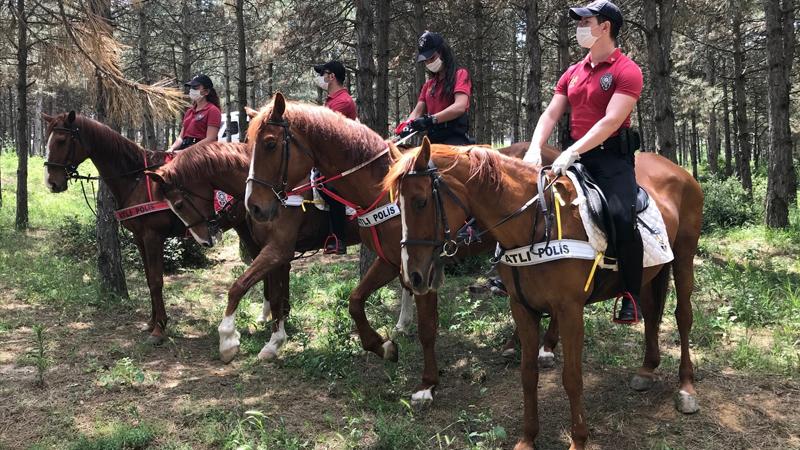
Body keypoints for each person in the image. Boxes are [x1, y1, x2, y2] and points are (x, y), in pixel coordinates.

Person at [523, 0, 643, 322]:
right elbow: (551, 113)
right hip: (571, 157)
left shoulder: (626, 70)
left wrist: (574, 151)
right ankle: (513, 273)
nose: (579, 27)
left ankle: (631, 293)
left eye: (585, 21)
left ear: (605, 27)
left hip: (609, 161)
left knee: (621, 216)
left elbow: (611, 121)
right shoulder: (572, 73)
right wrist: (536, 147)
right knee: (531, 202)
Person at [395, 31, 474, 145]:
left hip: (455, 138)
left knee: (434, 161)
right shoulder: (429, 85)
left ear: (442, 52)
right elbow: (417, 111)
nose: (428, 62)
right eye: (426, 60)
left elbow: (460, 106)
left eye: (432, 58)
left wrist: (431, 119)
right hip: (432, 139)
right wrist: (407, 125)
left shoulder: (460, 74)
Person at [313, 60, 358, 254]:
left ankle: (339, 238)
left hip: (340, 158)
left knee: (328, 187)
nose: (320, 78)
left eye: (323, 73)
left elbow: (326, 133)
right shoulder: (332, 100)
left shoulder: (342, 101)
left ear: (331, 77)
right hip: (330, 157)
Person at [168, 74, 222, 153]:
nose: (191, 90)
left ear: (206, 91)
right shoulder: (189, 112)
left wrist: (186, 151)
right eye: (191, 87)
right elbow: (181, 137)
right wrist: (172, 149)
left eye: (195, 87)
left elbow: (211, 139)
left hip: (202, 153)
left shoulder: (213, 110)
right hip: (185, 150)